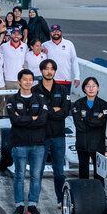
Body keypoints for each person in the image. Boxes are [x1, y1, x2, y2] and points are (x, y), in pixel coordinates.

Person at [4, 69, 49, 214]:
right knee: (19, 175)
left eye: (31, 79)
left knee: (36, 176)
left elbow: (42, 120)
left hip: (38, 144)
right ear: (19, 82)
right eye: (25, 79)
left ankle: (32, 205)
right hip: (20, 144)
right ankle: (19, 205)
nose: (28, 82)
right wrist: (32, 119)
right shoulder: (11, 100)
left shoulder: (41, 99)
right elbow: (15, 121)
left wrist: (24, 119)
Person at [36, 59, 71, 205]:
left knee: (59, 171)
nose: (49, 71)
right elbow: (36, 112)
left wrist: (47, 111)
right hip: (41, 136)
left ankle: (60, 200)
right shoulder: (35, 91)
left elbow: (65, 111)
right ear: (41, 71)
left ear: (55, 71)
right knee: (37, 171)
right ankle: (34, 201)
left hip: (58, 136)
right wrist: (53, 110)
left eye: (52, 69)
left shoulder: (62, 90)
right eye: (46, 68)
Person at [70, 77, 107, 179]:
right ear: (84, 89)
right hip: (82, 145)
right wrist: (94, 119)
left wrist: (85, 119)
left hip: (98, 145)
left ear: (98, 88)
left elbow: (100, 123)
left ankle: (99, 194)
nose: (91, 89)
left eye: (94, 86)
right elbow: (79, 125)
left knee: (99, 175)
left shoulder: (103, 104)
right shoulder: (78, 104)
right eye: (88, 86)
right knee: (83, 174)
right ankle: (84, 194)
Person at [42, 25, 79, 90]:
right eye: (53, 31)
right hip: (49, 80)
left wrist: (77, 77)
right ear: (50, 33)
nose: (55, 33)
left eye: (58, 31)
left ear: (61, 32)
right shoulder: (45, 45)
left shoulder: (69, 44)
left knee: (65, 100)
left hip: (66, 80)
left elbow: (74, 61)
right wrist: (41, 50)